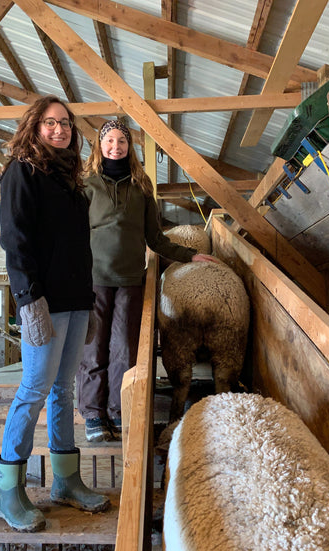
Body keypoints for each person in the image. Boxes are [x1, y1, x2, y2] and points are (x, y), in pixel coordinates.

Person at [0, 95, 110, 533]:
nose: (60, 129)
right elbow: (15, 240)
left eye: (65, 123)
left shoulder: (71, 181)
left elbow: (79, 247)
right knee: (34, 389)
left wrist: (89, 300)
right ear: (35, 126)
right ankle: (9, 492)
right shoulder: (21, 172)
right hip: (42, 301)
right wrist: (29, 299)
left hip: (76, 299)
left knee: (65, 389)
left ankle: (65, 481)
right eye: (50, 123)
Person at [76, 119, 218, 443]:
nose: (115, 146)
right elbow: (72, 233)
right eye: (109, 140)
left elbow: (156, 238)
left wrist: (190, 255)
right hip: (93, 279)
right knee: (93, 349)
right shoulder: (86, 184)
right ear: (99, 145)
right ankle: (93, 414)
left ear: (130, 146)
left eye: (121, 141)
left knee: (126, 349)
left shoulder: (141, 186)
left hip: (130, 280)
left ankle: (119, 409)